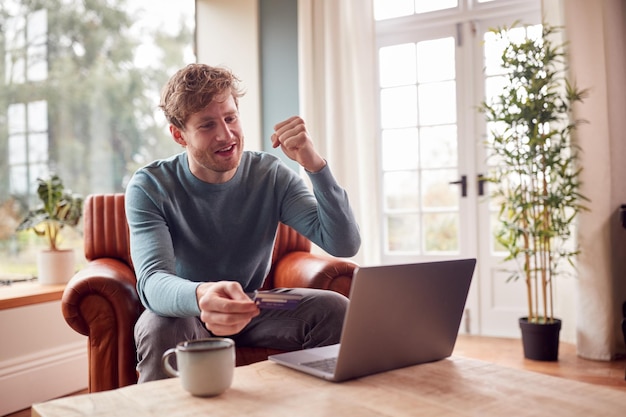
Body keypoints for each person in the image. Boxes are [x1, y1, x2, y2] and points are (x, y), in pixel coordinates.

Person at [125, 63, 361, 382]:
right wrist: (201, 295)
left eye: (230, 118)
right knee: (159, 325)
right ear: (179, 134)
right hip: (183, 308)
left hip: (255, 303)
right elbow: (153, 281)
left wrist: (315, 166)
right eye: (207, 125)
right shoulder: (150, 186)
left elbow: (343, 243)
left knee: (333, 307)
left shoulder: (270, 175)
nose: (226, 135)